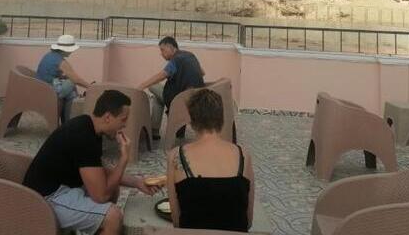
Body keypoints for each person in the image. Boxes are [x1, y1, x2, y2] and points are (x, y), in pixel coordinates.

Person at [23, 89, 158, 235]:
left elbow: (100, 171)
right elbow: (100, 196)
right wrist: (124, 158)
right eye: (123, 119)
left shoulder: (89, 127)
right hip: (44, 199)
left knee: (113, 187)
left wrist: (138, 183)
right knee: (113, 217)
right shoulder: (83, 135)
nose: (124, 125)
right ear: (108, 117)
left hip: (63, 188)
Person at [166, 88, 254, 231]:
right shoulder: (243, 155)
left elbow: (177, 222)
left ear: (192, 121)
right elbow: (248, 221)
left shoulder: (176, 156)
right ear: (221, 119)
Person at [137, 36, 205, 139]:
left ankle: (154, 131)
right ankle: (156, 131)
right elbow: (202, 73)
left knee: (152, 87)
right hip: (195, 96)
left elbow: (162, 75)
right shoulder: (190, 55)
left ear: (170, 47)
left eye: (162, 50)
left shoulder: (176, 60)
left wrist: (141, 86)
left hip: (178, 99)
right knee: (158, 99)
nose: (161, 54)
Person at [36, 34, 91, 122]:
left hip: (42, 85)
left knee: (71, 92)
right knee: (71, 84)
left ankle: (67, 119)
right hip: (48, 89)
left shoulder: (50, 55)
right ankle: (67, 120)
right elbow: (76, 79)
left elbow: (51, 73)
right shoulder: (61, 61)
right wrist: (90, 86)